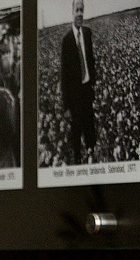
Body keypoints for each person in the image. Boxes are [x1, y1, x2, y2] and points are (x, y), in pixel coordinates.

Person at [60, 0, 97, 163]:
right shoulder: (67, 40)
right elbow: (64, 75)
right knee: (76, 129)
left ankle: (91, 152)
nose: (80, 14)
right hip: (74, 94)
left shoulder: (87, 33)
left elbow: (90, 58)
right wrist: (66, 106)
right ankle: (77, 158)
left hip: (87, 88)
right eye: (77, 10)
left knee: (89, 123)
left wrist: (92, 80)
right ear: (72, 12)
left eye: (82, 10)